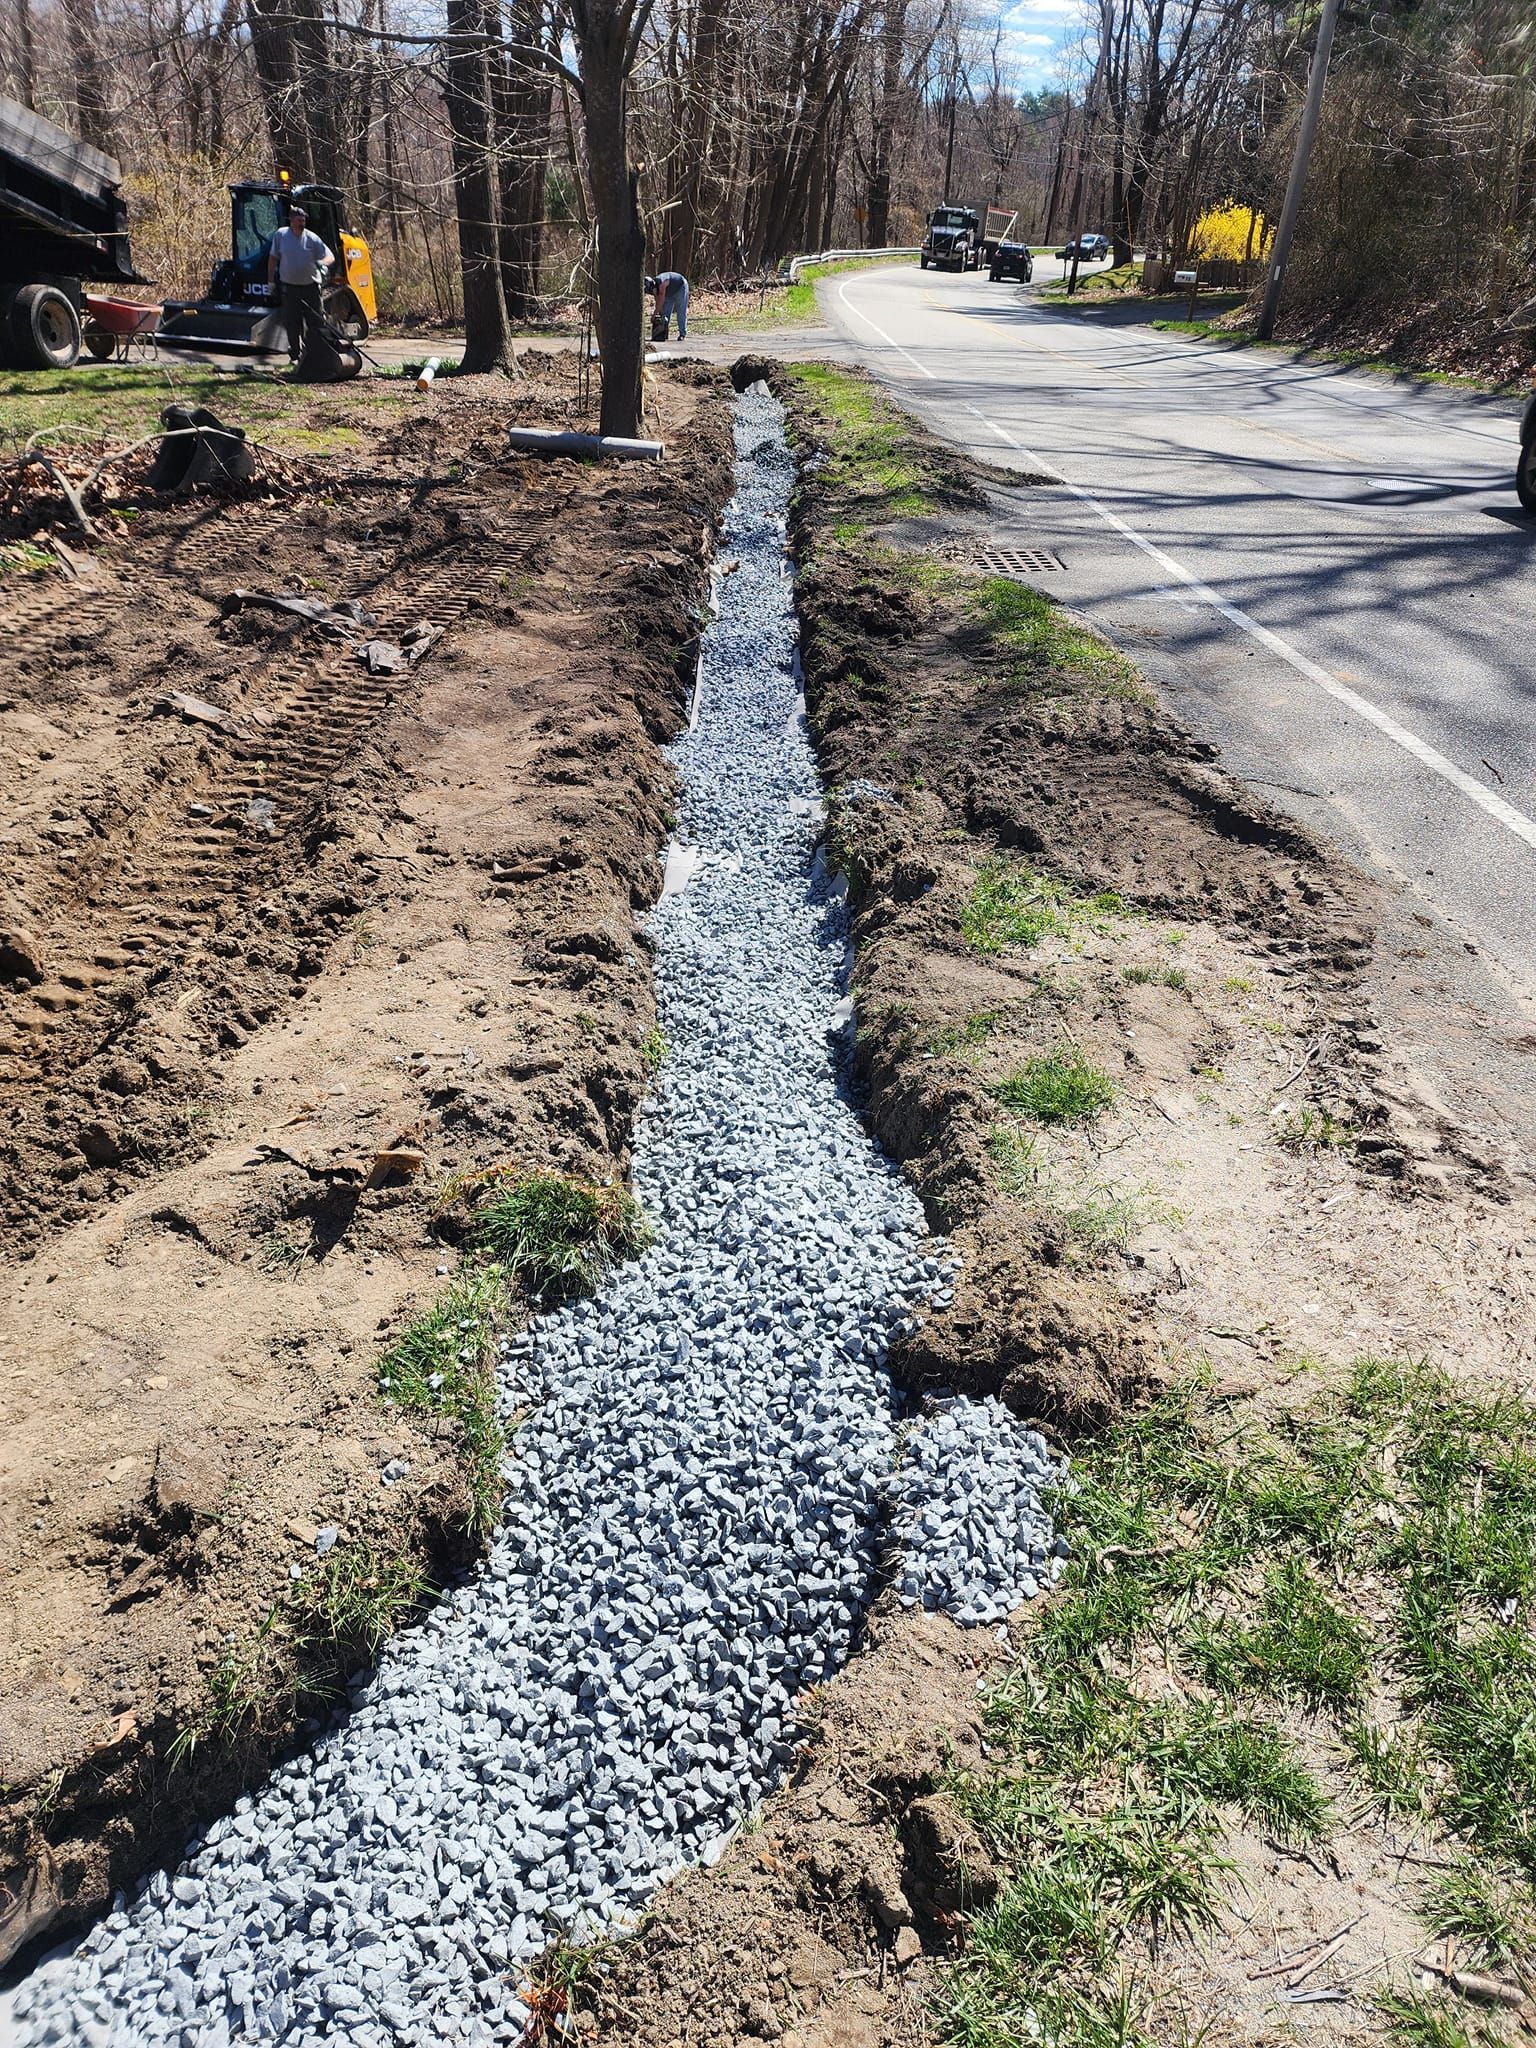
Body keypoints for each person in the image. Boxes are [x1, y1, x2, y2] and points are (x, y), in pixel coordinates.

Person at [267, 204, 334, 363]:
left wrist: (322, 263)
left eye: (303, 220)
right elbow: (272, 259)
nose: (302, 223)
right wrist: (270, 281)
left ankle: (315, 353)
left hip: (310, 287)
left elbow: (329, 256)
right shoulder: (281, 236)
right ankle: (295, 355)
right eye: (299, 220)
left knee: (315, 321)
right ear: (291, 221)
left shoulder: (312, 238)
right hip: (290, 288)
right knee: (292, 322)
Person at [647, 269, 689, 341]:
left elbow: (661, 300)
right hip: (669, 292)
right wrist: (658, 313)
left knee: (681, 311)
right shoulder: (656, 289)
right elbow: (658, 302)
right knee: (665, 313)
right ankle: (663, 333)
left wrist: (654, 315)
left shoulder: (661, 283)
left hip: (680, 287)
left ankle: (682, 334)